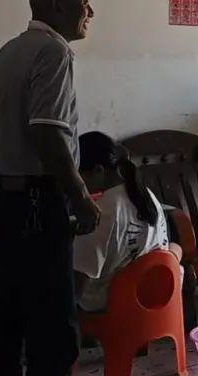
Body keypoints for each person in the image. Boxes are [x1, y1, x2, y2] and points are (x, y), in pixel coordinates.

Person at [0, 0, 101, 376]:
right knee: (52, 326)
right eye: (84, 3)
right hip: (35, 203)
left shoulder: (9, 50)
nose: (90, 12)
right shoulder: (54, 51)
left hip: (1, 198)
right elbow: (47, 132)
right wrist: (80, 196)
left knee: (8, 318)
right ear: (57, 7)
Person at [73, 131, 172, 313]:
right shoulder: (146, 196)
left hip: (112, 305)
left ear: (98, 170)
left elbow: (78, 280)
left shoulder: (101, 212)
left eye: (78, 175)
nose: (77, 183)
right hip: (150, 298)